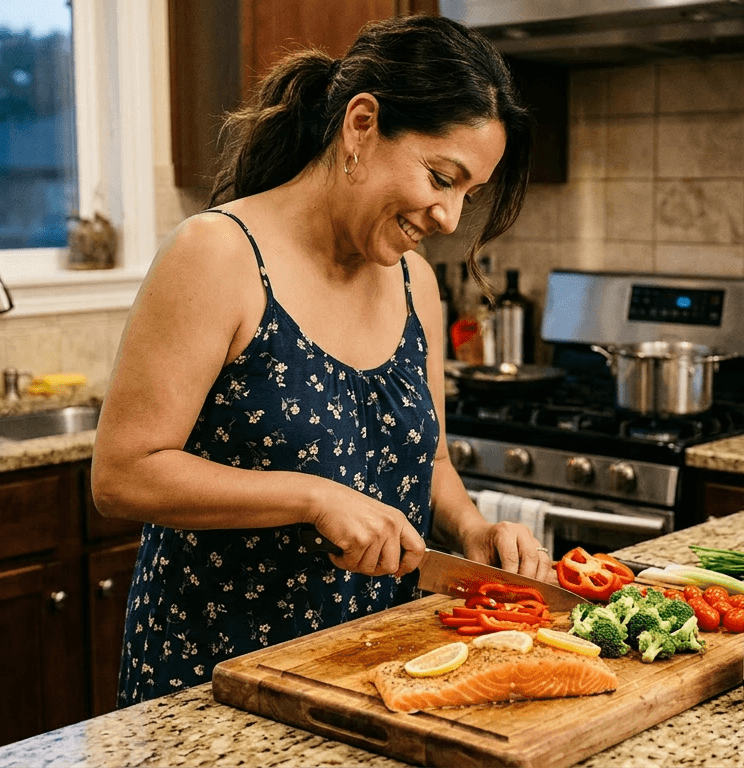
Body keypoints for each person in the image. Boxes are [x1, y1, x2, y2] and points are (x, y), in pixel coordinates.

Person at [91, 14, 539, 706]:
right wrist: (312, 497)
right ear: (361, 125)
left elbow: (432, 460)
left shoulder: (416, 284)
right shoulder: (218, 254)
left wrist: (472, 527)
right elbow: (123, 474)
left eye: (468, 195)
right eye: (442, 178)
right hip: (220, 676)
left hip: (374, 671)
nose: (451, 217)